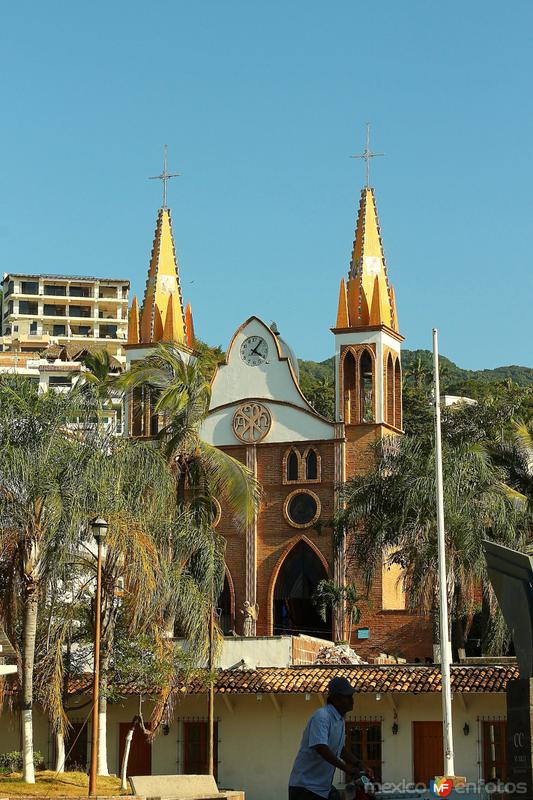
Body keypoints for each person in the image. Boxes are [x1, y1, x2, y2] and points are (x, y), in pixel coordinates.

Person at [288, 676, 365, 800]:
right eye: (347, 697)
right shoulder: (322, 716)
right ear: (336, 698)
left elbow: (339, 748)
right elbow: (321, 748)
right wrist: (346, 769)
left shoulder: (340, 719)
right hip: (305, 787)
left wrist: (356, 762)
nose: (352, 700)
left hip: (322, 789)